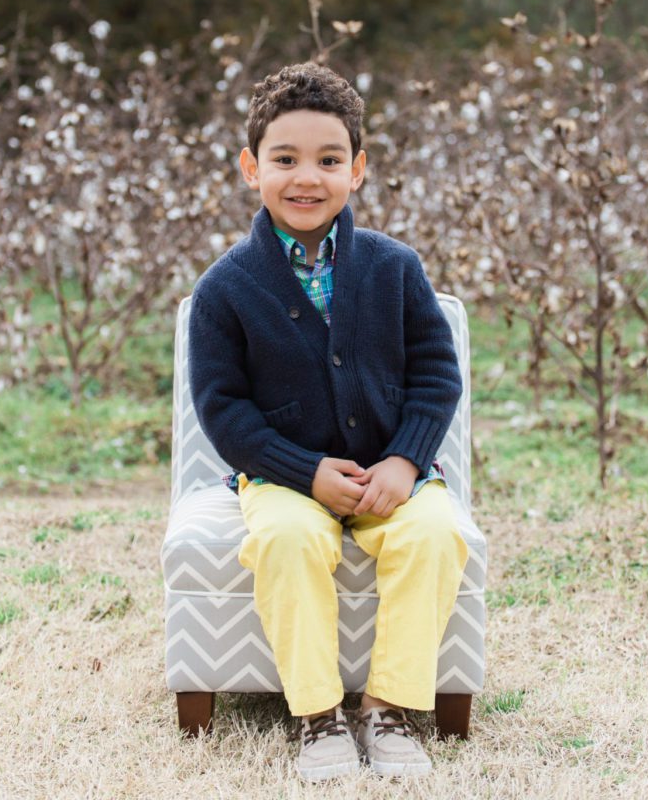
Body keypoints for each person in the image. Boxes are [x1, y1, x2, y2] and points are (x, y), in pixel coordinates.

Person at [189, 61, 469, 781]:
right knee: (286, 540)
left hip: (390, 475)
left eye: (329, 160)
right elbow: (222, 410)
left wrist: (404, 461)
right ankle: (318, 717)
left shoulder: (395, 267)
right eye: (285, 160)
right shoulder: (225, 288)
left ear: (358, 170)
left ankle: (387, 708)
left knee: (435, 535)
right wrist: (304, 472)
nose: (306, 178)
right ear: (251, 168)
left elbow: (437, 375)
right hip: (283, 478)